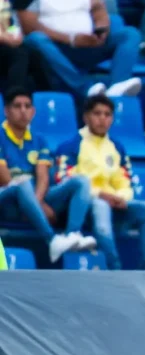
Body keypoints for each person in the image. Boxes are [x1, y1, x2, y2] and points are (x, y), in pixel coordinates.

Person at [54, 95, 145, 270]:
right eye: (97, 113)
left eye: (107, 114)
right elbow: (65, 181)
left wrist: (120, 198)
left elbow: (124, 181)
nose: (102, 119)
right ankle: (114, 269)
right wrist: (101, 195)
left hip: (114, 205)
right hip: (86, 208)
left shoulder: (116, 147)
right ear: (86, 117)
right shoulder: (70, 146)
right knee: (100, 206)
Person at [0, 87, 96, 263]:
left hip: (32, 199)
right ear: (6, 111)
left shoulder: (39, 139)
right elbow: (5, 179)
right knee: (22, 182)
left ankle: (70, 235)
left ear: (33, 111)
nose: (23, 111)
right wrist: (35, 204)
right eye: (17, 106)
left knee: (81, 181)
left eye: (27, 106)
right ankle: (51, 239)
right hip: (7, 201)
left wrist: (35, 204)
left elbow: (43, 176)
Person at [16, 0, 143, 100]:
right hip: (55, 49)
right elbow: (29, 26)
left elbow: (99, 9)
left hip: (88, 44)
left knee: (130, 34)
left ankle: (116, 90)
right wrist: (71, 39)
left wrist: (101, 30)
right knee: (35, 39)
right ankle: (85, 89)